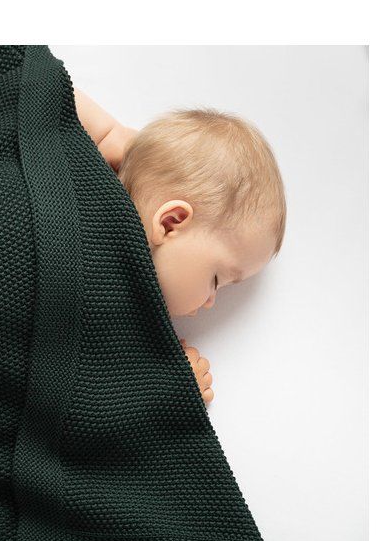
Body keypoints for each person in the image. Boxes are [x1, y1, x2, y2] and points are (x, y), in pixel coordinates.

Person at [74, 89, 287, 405]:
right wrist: (111, 136)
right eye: (216, 280)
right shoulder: (83, 180)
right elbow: (38, 90)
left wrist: (168, 381)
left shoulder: (130, 322)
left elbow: (88, 386)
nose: (211, 302)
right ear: (171, 223)